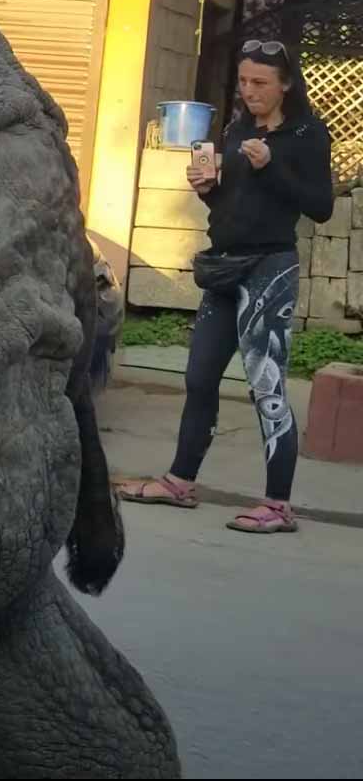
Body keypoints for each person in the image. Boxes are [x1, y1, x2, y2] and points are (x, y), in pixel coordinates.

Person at [118, 38, 334, 533]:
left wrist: (270, 166)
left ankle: (278, 506)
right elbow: (231, 207)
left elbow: (319, 206)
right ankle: (180, 482)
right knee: (198, 379)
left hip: (269, 271)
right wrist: (209, 189)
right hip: (223, 268)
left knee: (267, 388)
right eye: (243, 82)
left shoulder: (306, 133)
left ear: (286, 85)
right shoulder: (237, 129)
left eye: (260, 83)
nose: (248, 91)